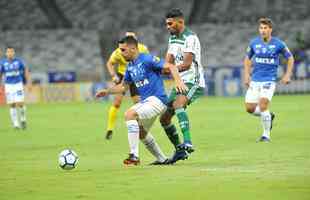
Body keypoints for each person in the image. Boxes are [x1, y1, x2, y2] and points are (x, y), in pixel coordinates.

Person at [96, 36, 187, 165]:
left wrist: (178, 82)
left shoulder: (147, 59)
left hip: (157, 100)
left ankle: (134, 156)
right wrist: (107, 91)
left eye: (123, 50)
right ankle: (163, 159)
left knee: (129, 114)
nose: (121, 53)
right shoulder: (130, 67)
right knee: (140, 132)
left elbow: (171, 67)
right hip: (148, 102)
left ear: (133, 48)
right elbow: (123, 87)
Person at [159, 8, 206, 164]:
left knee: (179, 103)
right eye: (166, 24)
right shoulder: (172, 39)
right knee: (164, 119)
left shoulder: (190, 38)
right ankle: (180, 150)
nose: (168, 27)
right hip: (179, 81)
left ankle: (188, 141)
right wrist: (162, 68)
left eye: (170, 23)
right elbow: (168, 62)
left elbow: (186, 65)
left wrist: (170, 68)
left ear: (180, 22)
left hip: (193, 80)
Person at [244, 17, 294, 142]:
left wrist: (287, 75)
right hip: (255, 80)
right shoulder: (254, 43)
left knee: (263, 105)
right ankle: (268, 116)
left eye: (265, 28)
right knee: (249, 108)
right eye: (261, 28)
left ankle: (266, 135)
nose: (263, 30)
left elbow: (290, 58)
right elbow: (247, 59)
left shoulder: (279, 44)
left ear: (270, 29)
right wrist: (246, 75)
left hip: (269, 80)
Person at [104, 32, 149, 140]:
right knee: (117, 102)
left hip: (136, 77)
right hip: (122, 76)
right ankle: (110, 129)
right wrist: (113, 75)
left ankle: (140, 128)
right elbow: (109, 63)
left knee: (138, 105)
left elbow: (147, 62)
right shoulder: (118, 52)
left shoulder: (143, 49)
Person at [0, 47, 32, 129]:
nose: (10, 53)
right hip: (8, 85)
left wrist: (29, 83)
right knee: (12, 105)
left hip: (18, 84)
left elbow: (26, 71)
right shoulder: (2, 63)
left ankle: (23, 119)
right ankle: (16, 124)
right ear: (6, 53)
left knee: (20, 103)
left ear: (14, 53)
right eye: (8, 52)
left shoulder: (19, 61)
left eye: (11, 52)